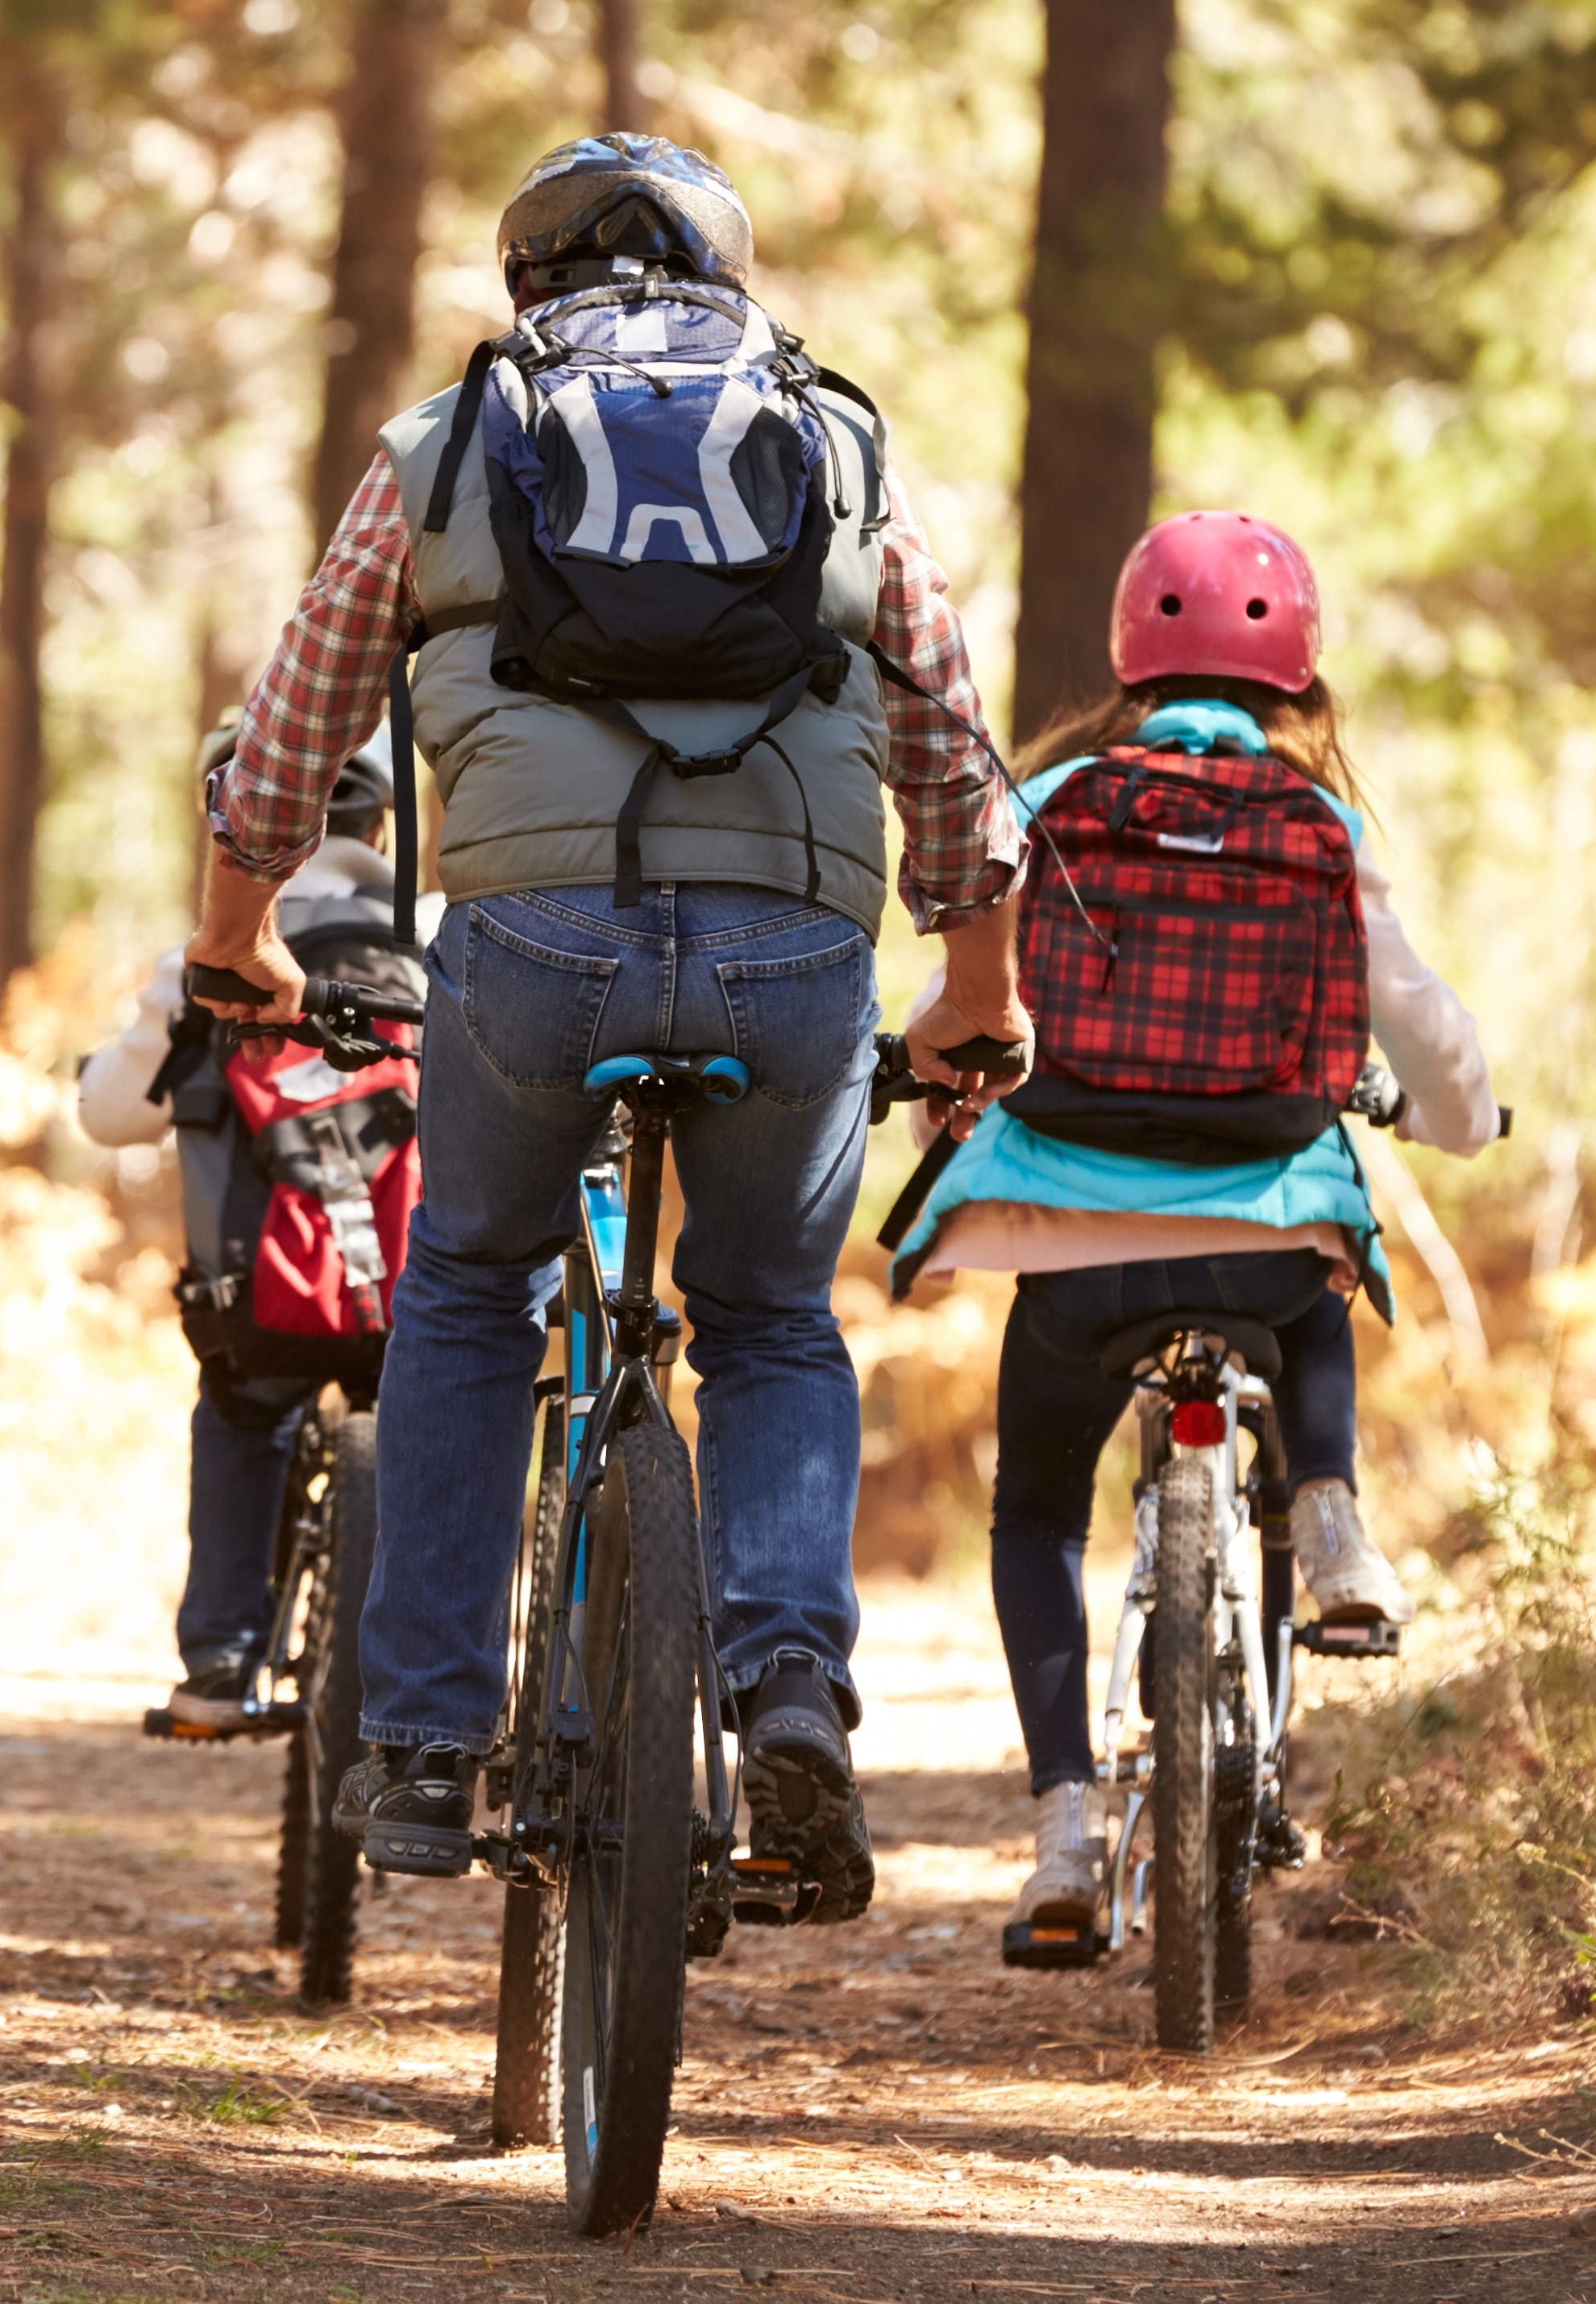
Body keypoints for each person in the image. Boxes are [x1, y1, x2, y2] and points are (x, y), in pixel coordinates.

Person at [186, 133, 1029, 1923]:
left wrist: (234, 942)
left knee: (470, 1286)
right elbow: (947, 735)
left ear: (525, 285)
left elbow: (287, 739)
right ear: (728, 279)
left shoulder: (447, 444)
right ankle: (788, 1682)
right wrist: (977, 983)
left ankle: (417, 1745)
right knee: (772, 1319)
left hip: (531, 944)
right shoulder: (840, 441)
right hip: (793, 951)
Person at [880, 512, 1499, 1944]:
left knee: (1036, 1512)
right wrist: (1462, 1122)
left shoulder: (1056, 801)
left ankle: (1057, 1834)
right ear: (1299, 673)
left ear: (1129, 657)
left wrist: (933, 1103)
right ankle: (1329, 1516)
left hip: (1073, 1235)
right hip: (1263, 1226)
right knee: (1316, 1287)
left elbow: (967, 1003)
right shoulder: (1324, 827)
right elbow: (1429, 1034)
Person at [75, 718, 428, 1732]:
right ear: (377, 818)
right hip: (421, 1293)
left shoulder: (204, 959)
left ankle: (222, 1665)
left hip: (260, 1299)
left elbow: (108, 1114)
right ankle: (434, 1687)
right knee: (444, 1419)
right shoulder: (436, 931)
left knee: (242, 1405)